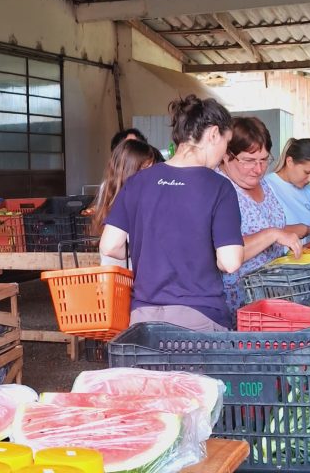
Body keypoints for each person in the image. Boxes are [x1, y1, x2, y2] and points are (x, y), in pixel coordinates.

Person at [99, 95, 244, 332]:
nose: (223, 156)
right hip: (200, 318)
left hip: (143, 320)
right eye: (226, 144)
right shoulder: (219, 187)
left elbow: (109, 246)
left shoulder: (138, 181)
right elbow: (230, 261)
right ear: (214, 134)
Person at [217, 117, 309, 318]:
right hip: (237, 306)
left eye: (264, 159)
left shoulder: (260, 183)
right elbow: (221, 254)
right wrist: (272, 234)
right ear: (226, 155)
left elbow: (274, 227)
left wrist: (305, 230)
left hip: (273, 297)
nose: (258, 169)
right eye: (249, 161)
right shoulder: (217, 189)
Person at [89, 139, 159, 265]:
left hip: (112, 279)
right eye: (146, 169)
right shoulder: (131, 200)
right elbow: (110, 247)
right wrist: (137, 251)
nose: (151, 175)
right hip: (125, 280)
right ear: (130, 170)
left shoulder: (111, 195)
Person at [264, 138, 310, 238]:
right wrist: (291, 230)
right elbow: (258, 231)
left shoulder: (308, 190)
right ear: (290, 162)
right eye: (307, 172)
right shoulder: (266, 187)